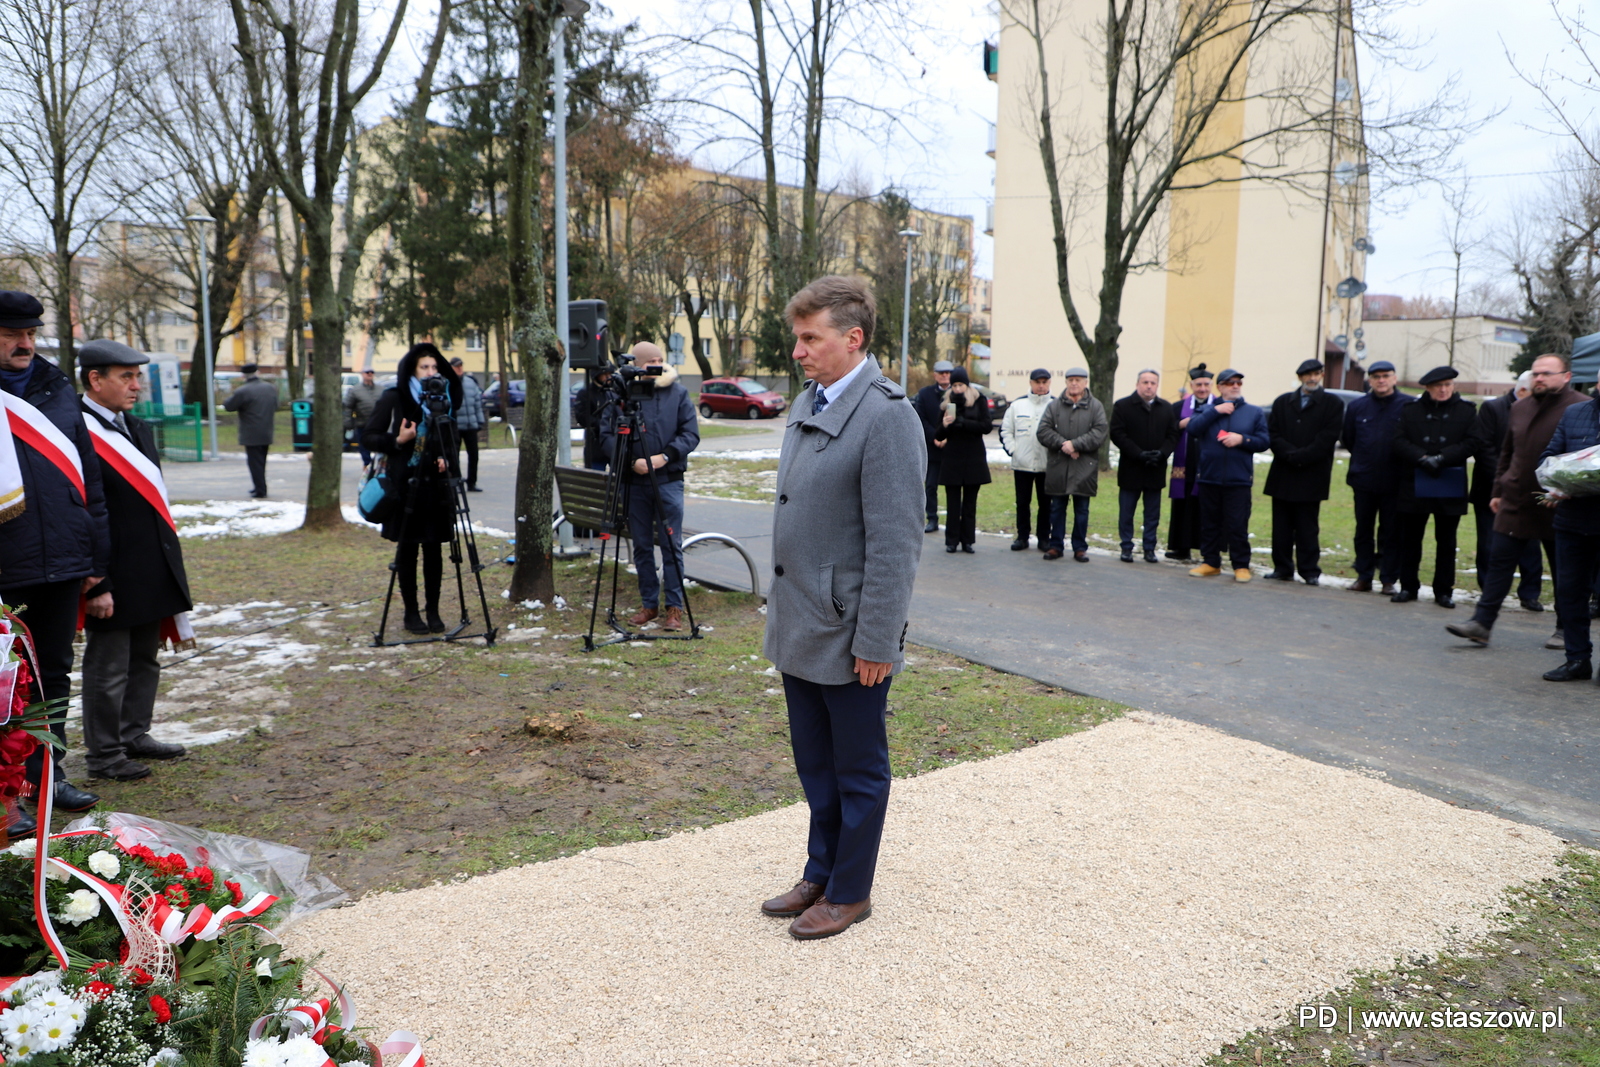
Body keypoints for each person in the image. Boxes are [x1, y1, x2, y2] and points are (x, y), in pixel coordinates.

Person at [759, 275, 923, 940]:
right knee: (814, 763)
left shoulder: (886, 416)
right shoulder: (810, 400)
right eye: (797, 338)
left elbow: (895, 542)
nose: (798, 350)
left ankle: (851, 889)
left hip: (851, 632)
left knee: (857, 768)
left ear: (852, 339)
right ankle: (820, 869)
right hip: (802, 622)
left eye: (810, 338)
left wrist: (878, 639)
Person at [0, 290, 108, 834]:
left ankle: (49, 775)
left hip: (64, 559)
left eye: (31, 334)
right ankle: (6, 792)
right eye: (13, 334)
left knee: (53, 675)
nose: (26, 343)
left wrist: (96, 557)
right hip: (7, 564)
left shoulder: (56, 386)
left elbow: (88, 475)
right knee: (4, 683)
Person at [77, 340, 192, 782]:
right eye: (126, 377)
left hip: (149, 563)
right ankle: (104, 754)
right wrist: (96, 580)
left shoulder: (137, 427)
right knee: (108, 667)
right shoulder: (74, 428)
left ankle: (133, 733)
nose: (136, 385)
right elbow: (83, 509)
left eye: (137, 376)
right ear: (95, 379)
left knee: (145, 657)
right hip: (110, 568)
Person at [1448, 353, 1585, 651]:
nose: (1539, 378)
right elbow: (1507, 454)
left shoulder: (1580, 407)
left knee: (1564, 571)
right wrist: (1497, 490)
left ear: (1566, 376)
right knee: (1499, 563)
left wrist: (1570, 490)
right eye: (1536, 373)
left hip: (1559, 503)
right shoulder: (1519, 408)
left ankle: (1565, 629)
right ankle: (1481, 623)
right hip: (1515, 499)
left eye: (1547, 373)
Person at [362, 343, 463, 636]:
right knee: (407, 553)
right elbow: (369, 437)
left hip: (436, 490)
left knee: (434, 553)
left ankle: (433, 611)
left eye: (434, 367)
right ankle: (410, 612)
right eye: (424, 367)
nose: (431, 373)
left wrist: (448, 459)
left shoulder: (445, 401)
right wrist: (399, 440)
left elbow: (453, 438)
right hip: (405, 488)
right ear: (412, 370)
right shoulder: (394, 398)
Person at [599, 341, 699, 632]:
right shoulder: (622, 396)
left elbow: (690, 434)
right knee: (642, 546)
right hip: (634, 483)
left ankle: (674, 608)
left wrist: (664, 457)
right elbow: (606, 435)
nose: (657, 364)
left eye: (660, 359)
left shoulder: (678, 393)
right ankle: (649, 604)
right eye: (650, 360)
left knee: (671, 546)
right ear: (637, 365)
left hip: (667, 481)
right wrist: (632, 461)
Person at [1391, 366, 1480, 608]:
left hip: (1448, 481)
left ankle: (1443, 590)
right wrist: (1421, 457)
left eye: (1447, 385)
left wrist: (1442, 457)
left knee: (1447, 541)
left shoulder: (1466, 411)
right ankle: (1408, 586)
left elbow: (1472, 442)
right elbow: (1398, 441)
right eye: (1438, 386)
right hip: (1414, 482)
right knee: (1410, 539)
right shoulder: (1410, 410)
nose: (1443, 390)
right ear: (1428, 388)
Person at [1537, 374, 1600, 680]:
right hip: (1573, 521)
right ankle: (1577, 659)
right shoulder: (1576, 413)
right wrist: (1557, 483)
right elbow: (1550, 456)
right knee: (1570, 593)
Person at [1264, 359, 1345, 584]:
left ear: (1321, 375)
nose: (1312, 378)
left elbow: (1328, 438)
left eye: (1316, 374)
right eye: (1307, 375)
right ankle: (1282, 568)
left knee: (1307, 527)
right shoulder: (1282, 402)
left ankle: (1309, 571)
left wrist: (1302, 456)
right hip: (1283, 473)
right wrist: (1290, 454)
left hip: (1312, 474)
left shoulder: (1333, 403)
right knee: (1281, 527)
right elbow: (1274, 434)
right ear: (1300, 377)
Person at [1187, 368, 1270, 582]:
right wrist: (1216, 411)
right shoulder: (1207, 409)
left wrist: (1242, 440)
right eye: (1230, 383)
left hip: (1238, 479)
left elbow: (1264, 441)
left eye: (1239, 383)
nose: (1235, 386)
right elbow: (1193, 429)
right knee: (1209, 523)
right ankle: (1210, 562)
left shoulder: (1253, 412)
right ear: (1220, 387)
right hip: (1209, 476)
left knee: (1237, 524)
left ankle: (1241, 565)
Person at [1472, 371, 1543, 612]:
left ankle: (1530, 593)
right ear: (1522, 391)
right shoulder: (1493, 409)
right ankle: (1488, 591)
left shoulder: (1540, 410)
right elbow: (1485, 448)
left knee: (1531, 546)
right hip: (1491, 488)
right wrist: (1506, 480)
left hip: (1529, 491)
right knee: (1489, 544)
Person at [1341, 360, 1414, 593]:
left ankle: (1389, 578)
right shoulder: (1357, 407)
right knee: (1363, 529)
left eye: (1385, 376)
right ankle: (1364, 575)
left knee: (1391, 531)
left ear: (1394, 378)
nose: (1381, 380)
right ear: (1369, 380)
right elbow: (1349, 439)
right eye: (1376, 377)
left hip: (1395, 480)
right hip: (1364, 479)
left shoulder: (1408, 405)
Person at [1036, 367, 1108, 562]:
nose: (1074, 383)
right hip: (1059, 466)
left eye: (1078, 380)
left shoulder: (1096, 407)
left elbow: (1099, 432)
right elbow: (1043, 431)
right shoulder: (1054, 406)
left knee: (1082, 510)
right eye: (1070, 380)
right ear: (1066, 382)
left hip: (1084, 466)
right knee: (1057, 508)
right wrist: (1063, 445)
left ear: (1085, 383)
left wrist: (1076, 444)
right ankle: (1055, 546)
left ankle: (1079, 547)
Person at [1109, 368, 1176, 563]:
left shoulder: (1166, 408)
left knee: (1152, 514)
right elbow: (1117, 434)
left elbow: (1173, 435)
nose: (1149, 386)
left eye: (1153, 383)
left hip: (1155, 469)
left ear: (1157, 385)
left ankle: (1149, 548)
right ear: (1137, 384)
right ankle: (1126, 547)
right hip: (1131, 468)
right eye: (1145, 382)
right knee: (1127, 512)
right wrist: (1138, 454)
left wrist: (1162, 453)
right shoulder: (1123, 406)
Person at [933, 366, 992, 554]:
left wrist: (964, 423)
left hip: (973, 457)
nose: (958, 389)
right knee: (952, 503)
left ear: (967, 385)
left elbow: (986, 426)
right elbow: (939, 434)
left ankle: (968, 541)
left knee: (969, 503)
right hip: (953, 458)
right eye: (955, 385)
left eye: (961, 385)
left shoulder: (979, 400)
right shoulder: (947, 402)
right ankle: (951, 540)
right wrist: (945, 424)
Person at [1000, 368, 1053, 551]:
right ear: (1030, 383)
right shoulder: (1017, 405)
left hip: (1047, 465)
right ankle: (1022, 537)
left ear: (1049, 384)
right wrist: (1014, 450)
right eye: (1037, 382)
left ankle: (1044, 538)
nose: (1041, 386)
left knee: (1045, 505)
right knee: (1023, 503)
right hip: (1022, 464)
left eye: (1044, 382)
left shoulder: (1056, 405)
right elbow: (1006, 430)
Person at [1165, 364, 1213, 561]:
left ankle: (1207, 549)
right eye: (1198, 384)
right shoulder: (1178, 408)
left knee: (1207, 506)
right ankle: (1181, 547)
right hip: (1184, 465)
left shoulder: (1219, 405)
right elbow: (1168, 432)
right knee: (1182, 505)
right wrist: (1179, 425)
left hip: (1209, 464)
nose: (1202, 389)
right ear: (1191, 385)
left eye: (1206, 385)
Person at [223, 361, 279, 498]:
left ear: (243, 375)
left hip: (251, 432)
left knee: (254, 463)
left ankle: (260, 490)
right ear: (257, 372)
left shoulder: (243, 391)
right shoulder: (271, 388)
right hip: (266, 430)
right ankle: (260, 487)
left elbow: (229, 406)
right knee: (262, 461)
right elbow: (276, 405)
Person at [913, 360, 956, 533]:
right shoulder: (925, 394)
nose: (945, 375)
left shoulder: (956, 393)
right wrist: (935, 437)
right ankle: (932, 518)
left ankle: (954, 521)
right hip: (932, 448)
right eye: (941, 372)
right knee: (930, 486)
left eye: (948, 372)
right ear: (935, 375)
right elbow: (920, 419)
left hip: (951, 449)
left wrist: (946, 437)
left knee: (952, 488)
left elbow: (955, 419)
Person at [449, 358, 486, 492]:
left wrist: (479, 421)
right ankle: (457, 483)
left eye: (460, 366)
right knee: (454, 456)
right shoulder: (448, 383)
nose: (459, 369)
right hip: (455, 426)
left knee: (474, 455)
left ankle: (472, 482)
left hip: (470, 425)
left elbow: (477, 403)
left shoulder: (471, 383)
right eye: (456, 367)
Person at [574, 364, 616, 471]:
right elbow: (582, 417)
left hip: (614, 443)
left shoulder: (615, 392)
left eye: (610, 374)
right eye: (604, 374)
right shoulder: (585, 393)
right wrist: (604, 424)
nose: (608, 377)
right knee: (594, 476)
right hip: (595, 444)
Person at [344, 368, 382, 467]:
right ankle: (367, 465)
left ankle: (380, 464)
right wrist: (348, 423)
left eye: (372, 372)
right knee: (364, 445)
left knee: (380, 444)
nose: (369, 374)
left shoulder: (381, 389)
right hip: (363, 423)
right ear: (362, 374)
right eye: (367, 372)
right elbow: (348, 407)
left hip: (379, 424)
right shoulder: (355, 390)